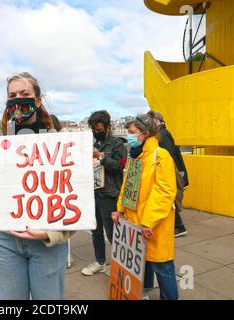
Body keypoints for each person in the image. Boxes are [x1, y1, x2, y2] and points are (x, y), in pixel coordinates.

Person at [0, 72, 73, 300]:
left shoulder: (57, 140)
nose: (18, 99)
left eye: (24, 93)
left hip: (46, 242)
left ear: (37, 101)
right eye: (12, 95)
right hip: (4, 239)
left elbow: (73, 194)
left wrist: (54, 232)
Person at [113, 114, 179, 300]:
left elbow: (164, 192)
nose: (129, 136)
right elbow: (128, 189)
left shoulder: (161, 156)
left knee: (162, 265)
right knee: (143, 261)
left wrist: (148, 222)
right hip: (137, 221)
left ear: (145, 133)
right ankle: (145, 292)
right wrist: (119, 210)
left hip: (154, 224)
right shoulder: (137, 157)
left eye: (132, 132)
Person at [81, 110, 127, 276]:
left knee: (113, 233)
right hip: (93, 193)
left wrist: (101, 157)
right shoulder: (91, 143)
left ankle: (121, 266)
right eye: (93, 129)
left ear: (108, 127)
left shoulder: (117, 144)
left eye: (99, 129)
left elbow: (119, 166)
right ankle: (100, 262)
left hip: (109, 195)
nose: (96, 132)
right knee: (96, 231)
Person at [148, 111, 189, 237]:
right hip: (168, 171)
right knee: (168, 199)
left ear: (156, 120)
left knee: (169, 200)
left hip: (168, 172)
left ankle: (179, 226)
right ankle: (177, 226)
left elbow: (169, 155)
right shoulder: (163, 133)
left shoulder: (162, 135)